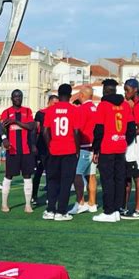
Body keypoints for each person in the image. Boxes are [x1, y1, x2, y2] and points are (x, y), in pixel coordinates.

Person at [92, 79, 136, 223]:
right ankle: (117, 210)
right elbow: (131, 130)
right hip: (120, 147)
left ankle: (109, 211)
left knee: (107, 180)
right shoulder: (125, 105)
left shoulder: (103, 105)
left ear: (105, 91)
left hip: (107, 148)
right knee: (119, 180)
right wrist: (123, 141)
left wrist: (96, 149)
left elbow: (99, 130)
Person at [42, 84, 80, 221]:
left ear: (58, 94)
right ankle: (61, 211)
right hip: (69, 150)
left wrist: (50, 145)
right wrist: (77, 149)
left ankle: (50, 209)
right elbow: (76, 131)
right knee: (66, 181)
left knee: (52, 180)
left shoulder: (51, 110)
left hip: (54, 150)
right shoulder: (74, 110)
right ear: (70, 95)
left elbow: (45, 131)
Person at [0, 89, 36, 213]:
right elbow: (0, 128)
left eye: (20, 96)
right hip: (12, 150)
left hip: (26, 150)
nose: (18, 98)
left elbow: (31, 126)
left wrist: (16, 121)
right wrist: (4, 139)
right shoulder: (6, 112)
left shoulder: (27, 111)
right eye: (15, 96)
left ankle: (27, 205)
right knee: (8, 176)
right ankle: (4, 203)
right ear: (11, 98)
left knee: (27, 176)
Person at [68, 86, 98, 215]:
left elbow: (77, 130)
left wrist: (75, 147)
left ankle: (80, 202)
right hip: (94, 147)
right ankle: (92, 203)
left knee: (77, 174)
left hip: (84, 147)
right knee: (91, 175)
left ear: (82, 95)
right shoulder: (96, 108)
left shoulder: (82, 110)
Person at [121, 78, 139, 219]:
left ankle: (138, 210)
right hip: (137, 145)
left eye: (127, 89)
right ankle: (125, 207)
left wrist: (125, 133)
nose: (126, 92)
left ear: (135, 89)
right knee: (132, 176)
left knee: (137, 176)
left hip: (137, 147)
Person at [32, 95, 58, 205]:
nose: (56, 105)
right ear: (49, 102)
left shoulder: (58, 113)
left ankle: (50, 197)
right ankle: (34, 195)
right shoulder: (40, 113)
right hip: (42, 146)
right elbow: (35, 129)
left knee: (51, 172)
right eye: (54, 103)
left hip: (53, 146)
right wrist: (33, 145)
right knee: (38, 172)